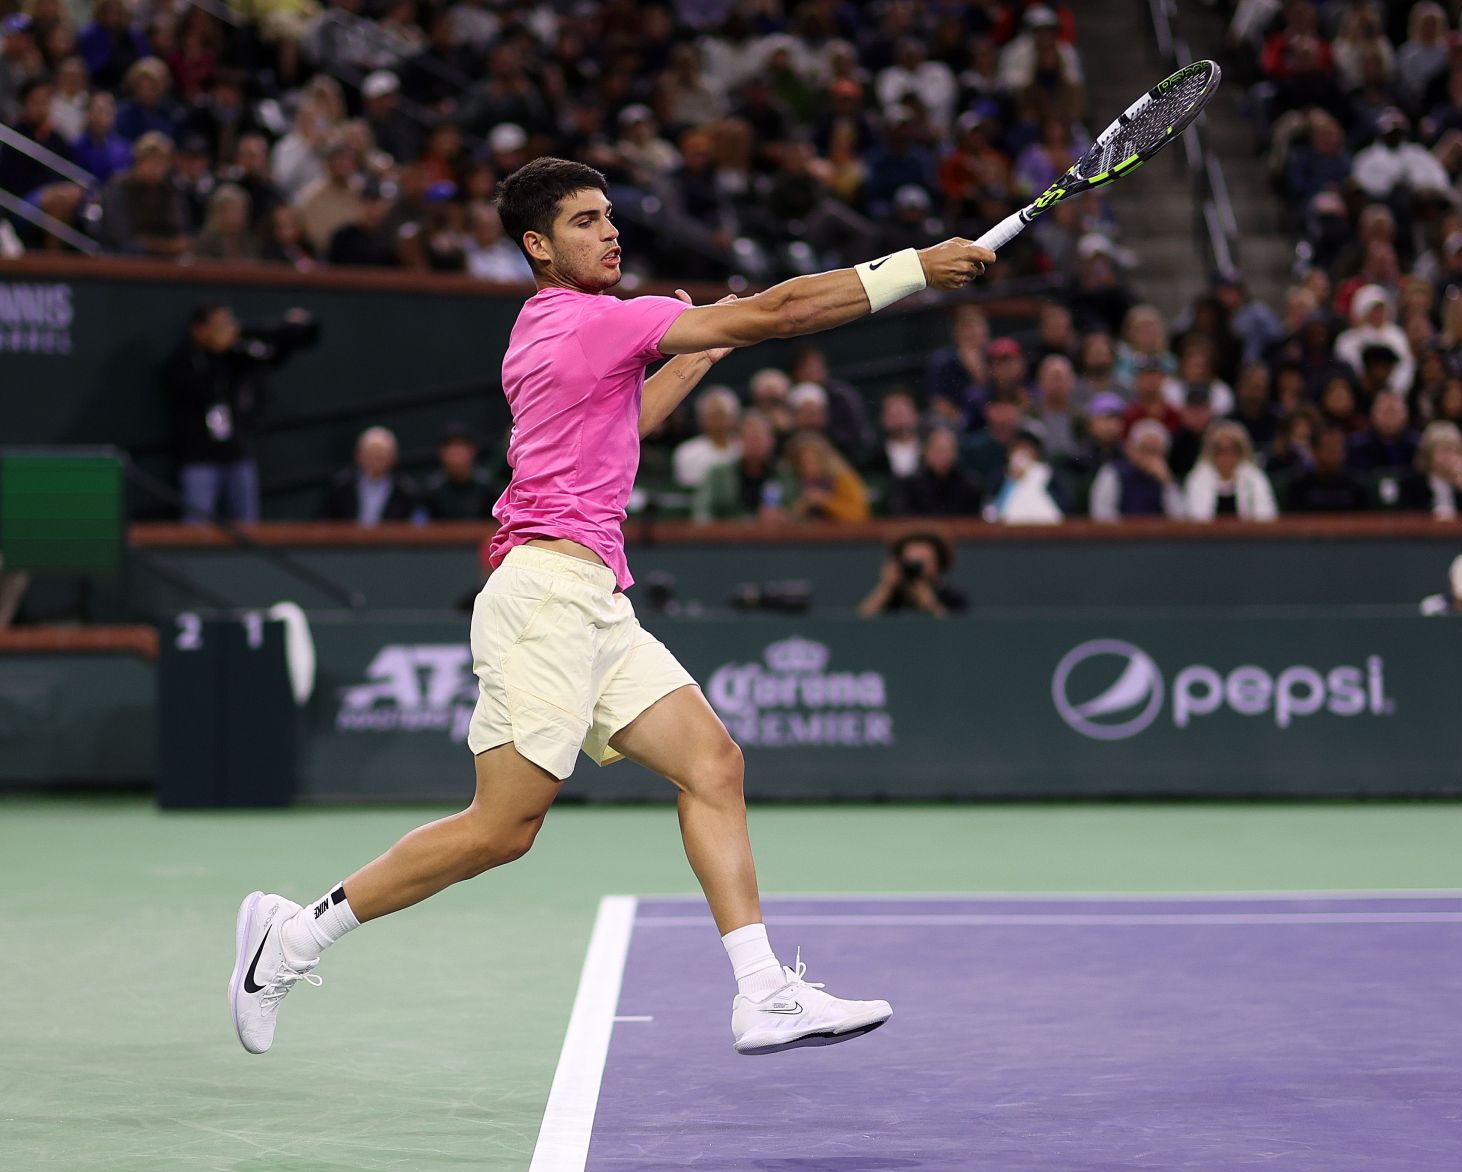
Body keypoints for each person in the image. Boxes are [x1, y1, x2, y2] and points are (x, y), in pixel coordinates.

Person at [230, 156, 992, 1061]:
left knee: (712, 763)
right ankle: (294, 936)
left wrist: (694, 356)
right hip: (543, 600)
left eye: (610, 216)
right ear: (538, 246)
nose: (611, 231)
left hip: (593, 598)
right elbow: (782, 313)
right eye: (587, 221)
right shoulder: (596, 321)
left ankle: (762, 992)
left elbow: (617, 432)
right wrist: (913, 267)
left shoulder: (551, 332)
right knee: (502, 828)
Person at [163, 302, 319, 524]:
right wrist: (220, 350)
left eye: (229, 323)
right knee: (196, 526)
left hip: (236, 454)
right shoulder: (182, 361)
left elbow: (271, 357)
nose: (226, 330)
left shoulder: (235, 355)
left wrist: (289, 326)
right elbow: (202, 393)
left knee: (247, 525)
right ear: (199, 329)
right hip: (199, 458)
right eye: (219, 325)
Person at [321, 426, 427, 525]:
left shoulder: (407, 490)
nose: (375, 460)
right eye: (370, 455)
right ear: (358, 456)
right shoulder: (340, 486)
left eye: (380, 455)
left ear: (393, 458)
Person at [857, 530, 969, 616]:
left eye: (921, 561)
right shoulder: (891, 598)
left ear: (937, 564)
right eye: (909, 561)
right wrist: (886, 586)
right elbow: (861, 622)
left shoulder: (953, 598)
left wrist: (930, 604)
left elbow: (952, 630)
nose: (914, 567)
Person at [1183, 421, 1278, 521]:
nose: (1226, 456)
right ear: (1210, 452)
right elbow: (1193, 520)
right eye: (1220, 450)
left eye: (1232, 449)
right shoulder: (1197, 479)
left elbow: (1266, 517)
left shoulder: (1254, 478)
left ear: (1242, 451)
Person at [890, 425, 983, 517]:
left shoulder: (970, 485)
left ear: (955, 454)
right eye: (938, 450)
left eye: (947, 451)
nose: (943, 456)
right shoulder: (908, 485)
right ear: (926, 452)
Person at [421, 425, 499, 520]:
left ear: (473, 450)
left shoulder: (488, 488)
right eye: (451, 447)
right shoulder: (431, 491)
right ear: (441, 453)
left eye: (461, 446)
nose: (456, 453)